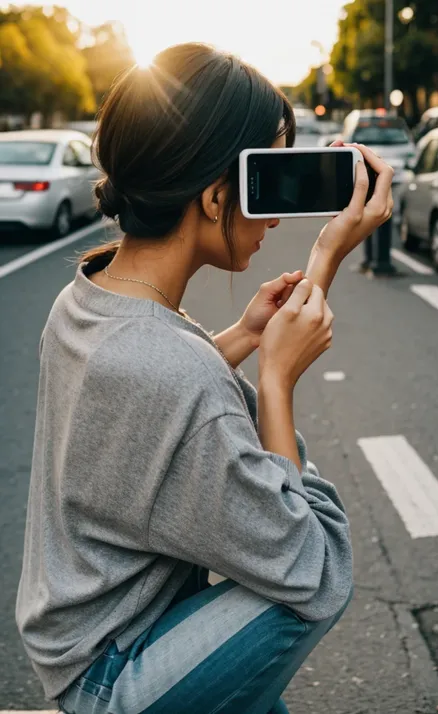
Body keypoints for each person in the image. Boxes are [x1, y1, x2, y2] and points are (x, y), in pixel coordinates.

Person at [16, 43, 393, 714]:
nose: (275, 214)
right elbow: (310, 568)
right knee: (316, 566)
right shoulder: (171, 369)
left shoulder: (90, 297)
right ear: (217, 197)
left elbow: (144, 417)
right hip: (115, 676)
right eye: (265, 183)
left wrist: (248, 336)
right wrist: (276, 377)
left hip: (79, 640)